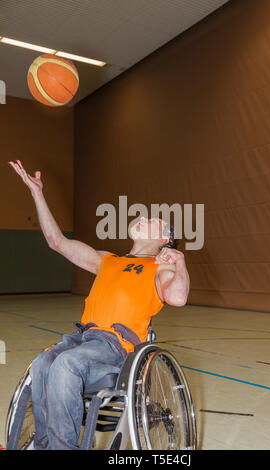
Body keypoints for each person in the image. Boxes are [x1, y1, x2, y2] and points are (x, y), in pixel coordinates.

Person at [8, 159, 190, 450]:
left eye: (151, 220)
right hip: (83, 338)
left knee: (66, 364)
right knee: (43, 362)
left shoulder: (160, 268)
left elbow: (179, 297)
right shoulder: (108, 260)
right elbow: (56, 242)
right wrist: (36, 193)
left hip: (116, 346)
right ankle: (42, 445)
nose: (142, 218)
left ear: (164, 239)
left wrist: (179, 262)